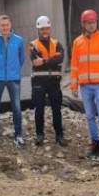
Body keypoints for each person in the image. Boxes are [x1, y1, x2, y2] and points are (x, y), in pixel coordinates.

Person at [70, 9, 99, 160]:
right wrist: (74, 85)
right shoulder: (77, 42)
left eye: (93, 22)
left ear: (97, 22)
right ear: (83, 24)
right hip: (85, 86)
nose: (91, 25)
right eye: (88, 23)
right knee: (90, 116)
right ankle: (95, 143)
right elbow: (74, 66)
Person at [0, 15, 25, 148]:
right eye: (2, 25)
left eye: (7, 25)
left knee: (17, 108)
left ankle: (18, 135)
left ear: (10, 25)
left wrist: (13, 70)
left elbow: (21, 59)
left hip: (13, 78)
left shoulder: (19, 41)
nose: (5, 27)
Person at [29, 16, 67, 147]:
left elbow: (60, 59)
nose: (45, 31)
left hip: (54, 82)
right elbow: (35, 61)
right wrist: (52, 58)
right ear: (38, 29)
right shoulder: (33, 45)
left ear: (50, 28)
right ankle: (39, 135)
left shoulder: (57, 44)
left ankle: (59, 135)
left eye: (46, 28)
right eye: (42, 29)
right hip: (38, 81)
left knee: (57, 109)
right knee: (39, 109)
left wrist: (44, 60)